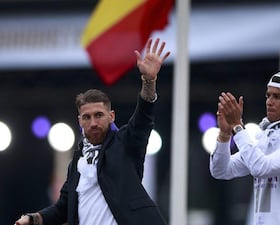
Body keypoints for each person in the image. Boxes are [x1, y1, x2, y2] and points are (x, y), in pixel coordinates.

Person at [14, 38, 170, 225]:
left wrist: (149, 81)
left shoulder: (125, 144)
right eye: (87, 117)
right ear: (79, 121)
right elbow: (62, 208)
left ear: (111, 116)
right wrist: (32, 219)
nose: (93, 122)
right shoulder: (77, 163)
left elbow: (143, 119)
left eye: (99, 115)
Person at [210, 71, 280, 225]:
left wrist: (237, 127)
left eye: (277, 97)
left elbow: (261, 167)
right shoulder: (266, 138)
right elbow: (221, 170)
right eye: (268, 96)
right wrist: (224, 135)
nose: (269, 102)